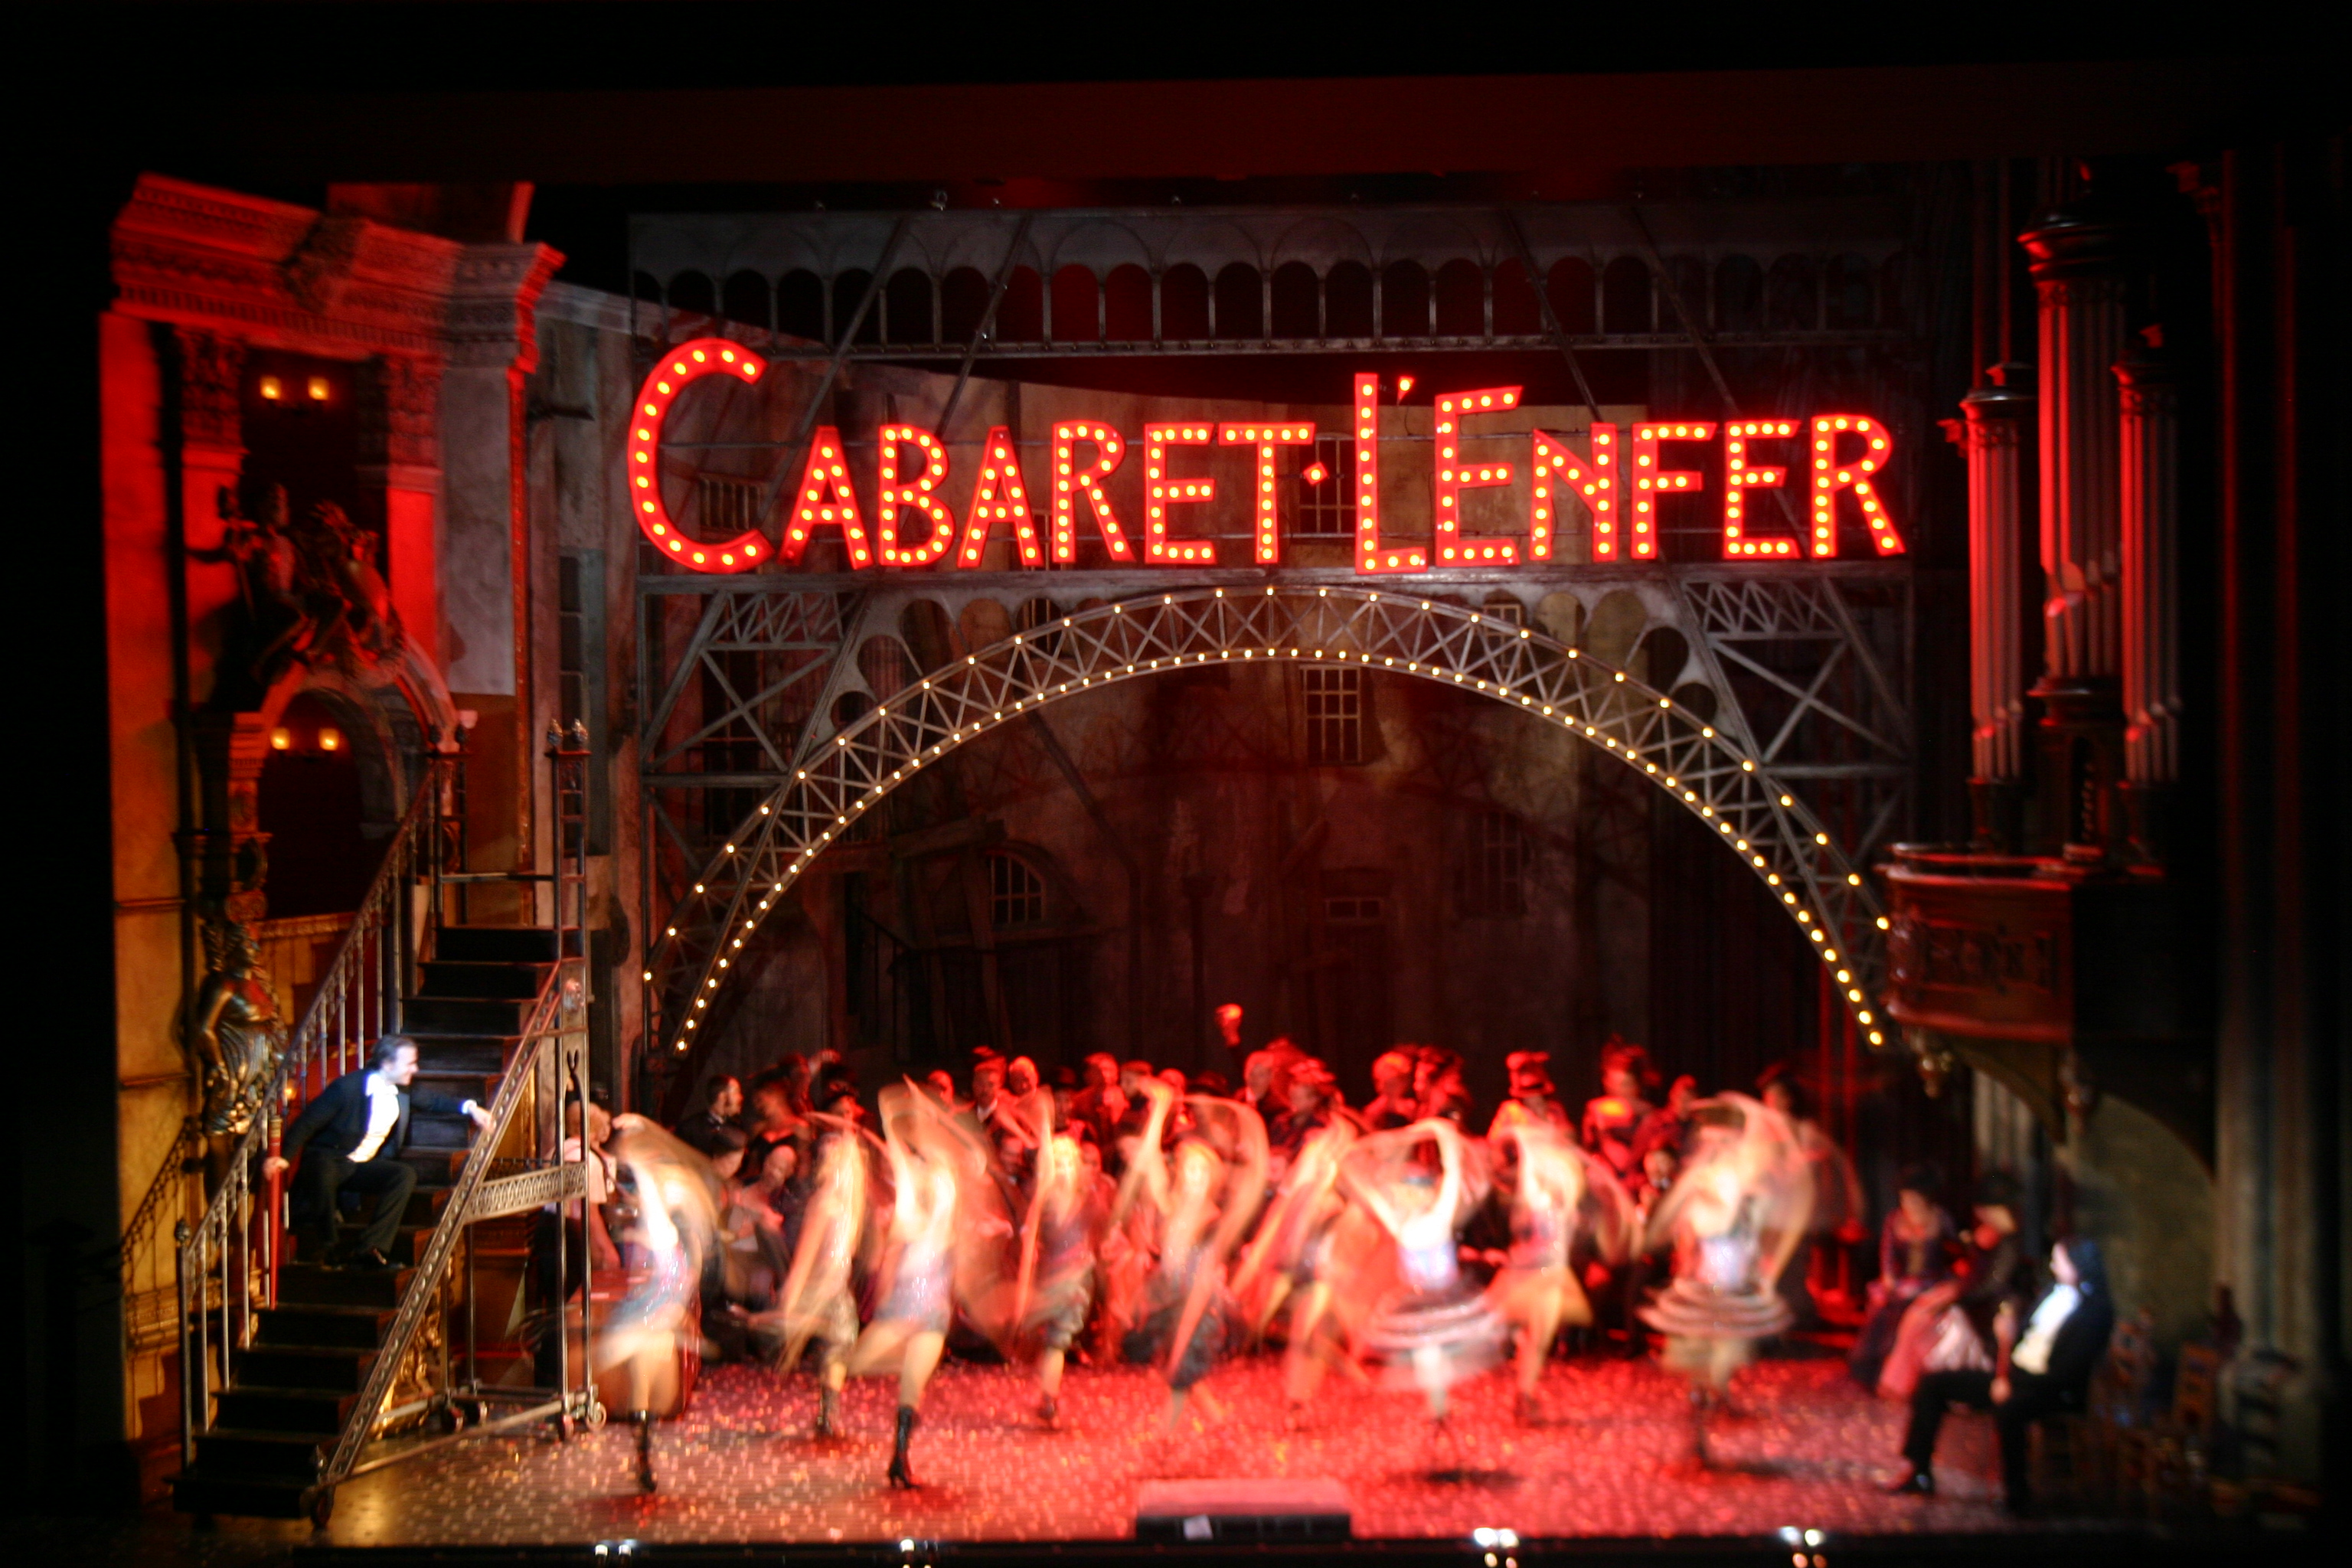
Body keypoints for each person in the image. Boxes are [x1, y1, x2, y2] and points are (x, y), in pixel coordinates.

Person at [1886, 1236, 2115, 1514]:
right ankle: (1919, 1472)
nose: (2054, 1266)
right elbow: (2028, 1337)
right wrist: (2007, 1335)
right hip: (2018, 1377)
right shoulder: (2053, 1292)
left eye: (2061, 1261)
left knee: (2011, 1410)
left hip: (2054, 1390)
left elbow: (2066, 1372)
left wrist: (2012, 1384)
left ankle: (2017, 1496)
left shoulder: (2095, 1311)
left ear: (2079, 1264)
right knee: (1934, 1384)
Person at [1342, 1117, 1508, 1442]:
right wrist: (1358, 1152)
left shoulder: (1438, 1216)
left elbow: (1454, 1174)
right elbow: (1364, 1185)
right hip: (1416, 1300)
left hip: (1442, 1297)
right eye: (1401, 1190)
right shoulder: (1399, 1220)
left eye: (1410, 1190)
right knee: (1425, 1357)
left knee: (1433, 1356)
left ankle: (1439, 1411)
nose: (1401, 1196)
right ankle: (1438, 1411)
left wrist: (1442, 1135)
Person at [265, 1035, 492, 1268]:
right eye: (410, 1063)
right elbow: (307, 1123)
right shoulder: (347, 1088)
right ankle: (328, 1247)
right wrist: (283, 1157)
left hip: (360, 1164)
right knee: (322, 1171)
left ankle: (370, 1248)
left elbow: (434, 1101)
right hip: (330, 1158)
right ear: (387, 1064)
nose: (415, 1069)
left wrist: (471, 1108)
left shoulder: (403, 1089)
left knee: (403, 1175)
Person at [1848, 1164, 1955, 1390]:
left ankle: (1901, 1375)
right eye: (1904, 1199)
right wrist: (1889, 1277)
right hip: (1901, 1282)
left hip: (1931, 1281)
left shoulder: (1940, 1219)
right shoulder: (1895, 1220)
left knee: (1912, 1309)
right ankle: (1873, 1369)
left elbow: (1953, 1252)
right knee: (1884, 1308)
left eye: (1913, 1199)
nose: (1908, 1204)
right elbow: (1887, 1253)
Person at [1581, 1037, 1657, 1184]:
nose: (1620, 1091)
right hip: (1608, 1178)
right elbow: (1588, 1147)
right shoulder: (1596, 1109)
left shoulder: (1648, 1112)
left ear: (1637, 1086)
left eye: (1627, 1085)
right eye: (1615, 1084)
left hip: (1639, 1176)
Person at [675, 1075, 743, 1156]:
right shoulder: (690, 1128)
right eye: (736, 1092)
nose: (741, 1097)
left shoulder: (737, 1128)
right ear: (722, 1096)